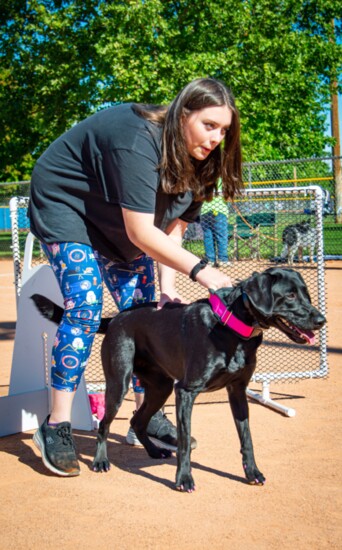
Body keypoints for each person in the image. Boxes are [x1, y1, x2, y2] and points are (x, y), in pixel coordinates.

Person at [28, 77, 243, 476]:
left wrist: (167, 286)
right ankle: (55, 425)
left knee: (146, 314)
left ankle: (146, 417)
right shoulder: (138, 139)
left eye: (224, 129)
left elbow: (170, 232)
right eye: (209, 125)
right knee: (86, 307)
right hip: (68, 204)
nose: (216, 138)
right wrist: (202, 271)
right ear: (183, 114)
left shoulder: (203, 163)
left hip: (123, 221)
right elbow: (142, 233)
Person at [200, 182, 230, 267]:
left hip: (204, 210)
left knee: (208, 236)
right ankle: (223, 259)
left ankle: (210, 260)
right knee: (221, 236)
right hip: (219, 209)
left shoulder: (203, 176)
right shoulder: (223, 177)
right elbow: (228, 197)